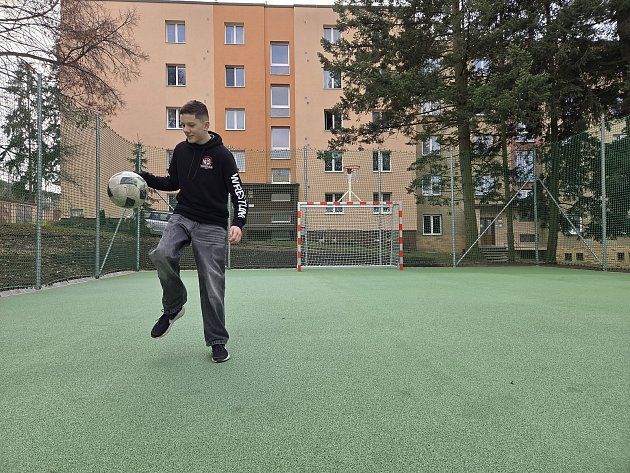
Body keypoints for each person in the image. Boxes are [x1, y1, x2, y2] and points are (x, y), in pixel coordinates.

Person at [139, 100, 247, 363]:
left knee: (212, 284)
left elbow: (238, 193)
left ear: (205, 125)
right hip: (183, 216)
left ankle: (217, 341)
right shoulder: (180, 150)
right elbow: (172, 182)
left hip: (212, 224)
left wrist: (238, 222)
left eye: (191, 125)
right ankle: (174, 307)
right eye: (182, 125)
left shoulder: (223, 156)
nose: (185, 130)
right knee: (162, 253)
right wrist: (143, 177)